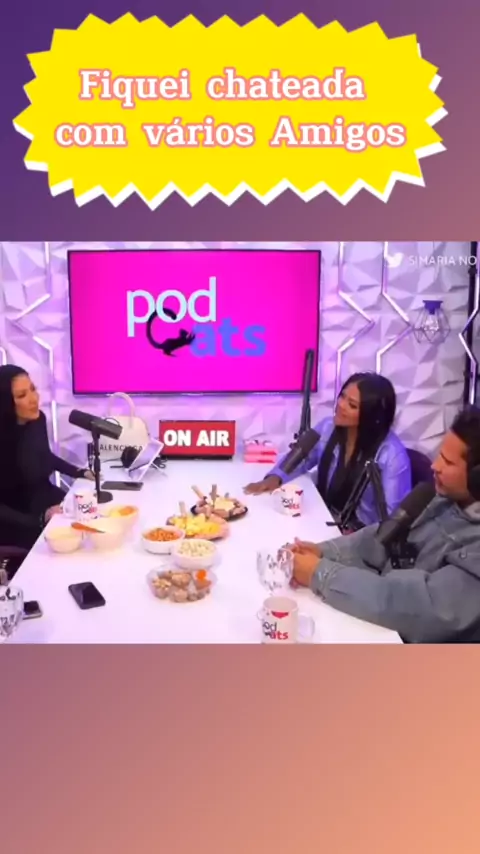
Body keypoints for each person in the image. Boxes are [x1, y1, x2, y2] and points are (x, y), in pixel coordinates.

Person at [289, 407, 480, 644]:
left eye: (448, 462)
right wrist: (323, 552)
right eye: (440, 455)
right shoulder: (442, 499)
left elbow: (414, 609)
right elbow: (383, 537)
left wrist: (320, 574)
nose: (435, 466)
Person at [244, 372, 412, 527]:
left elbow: (392, 522)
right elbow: (301, 456)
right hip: (324, 520)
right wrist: (276, 477)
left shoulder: (392, 456)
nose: (341, 405)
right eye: (342, 396)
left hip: (360, 538)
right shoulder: (327, 427)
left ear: (372, 416)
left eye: (352, 405)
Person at [0, 364, 94, 551]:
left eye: (33, 389)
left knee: (91, 522)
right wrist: (39, 519)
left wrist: (79, 472)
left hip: (46, 499)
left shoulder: (37, 420)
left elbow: (44, 456)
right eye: (22, 395)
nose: (34, 399)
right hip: (17, 519)